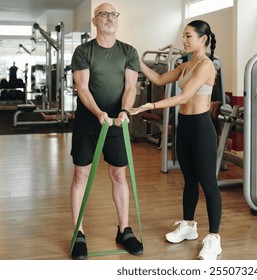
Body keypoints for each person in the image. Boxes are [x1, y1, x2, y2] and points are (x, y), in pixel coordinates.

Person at [130, 20, 222, 260]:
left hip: (202, 128)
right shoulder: (186, 65)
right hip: (186, 127)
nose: (184, 40)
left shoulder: (206, 65)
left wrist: (151, 105)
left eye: (188, 36)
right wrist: (135, 61)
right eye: (183, 36)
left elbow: (185, 97)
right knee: (189, 180)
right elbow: (159, 80)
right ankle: (189, 226)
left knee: (208, 184)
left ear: (203, 39)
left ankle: (213, 239)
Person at [69, 2, 143, 260]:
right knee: (81, 176)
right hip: (89, 124)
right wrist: (99, 113)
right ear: (95, 21)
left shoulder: (129, 51)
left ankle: (124, 230)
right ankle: (79, 232)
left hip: (117, 124)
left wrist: (123, 111)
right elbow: (83, 88)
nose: (110, 18)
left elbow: (131, 87)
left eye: (113, 14)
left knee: (119, 176)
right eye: (104, 14)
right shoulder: (83, 51)